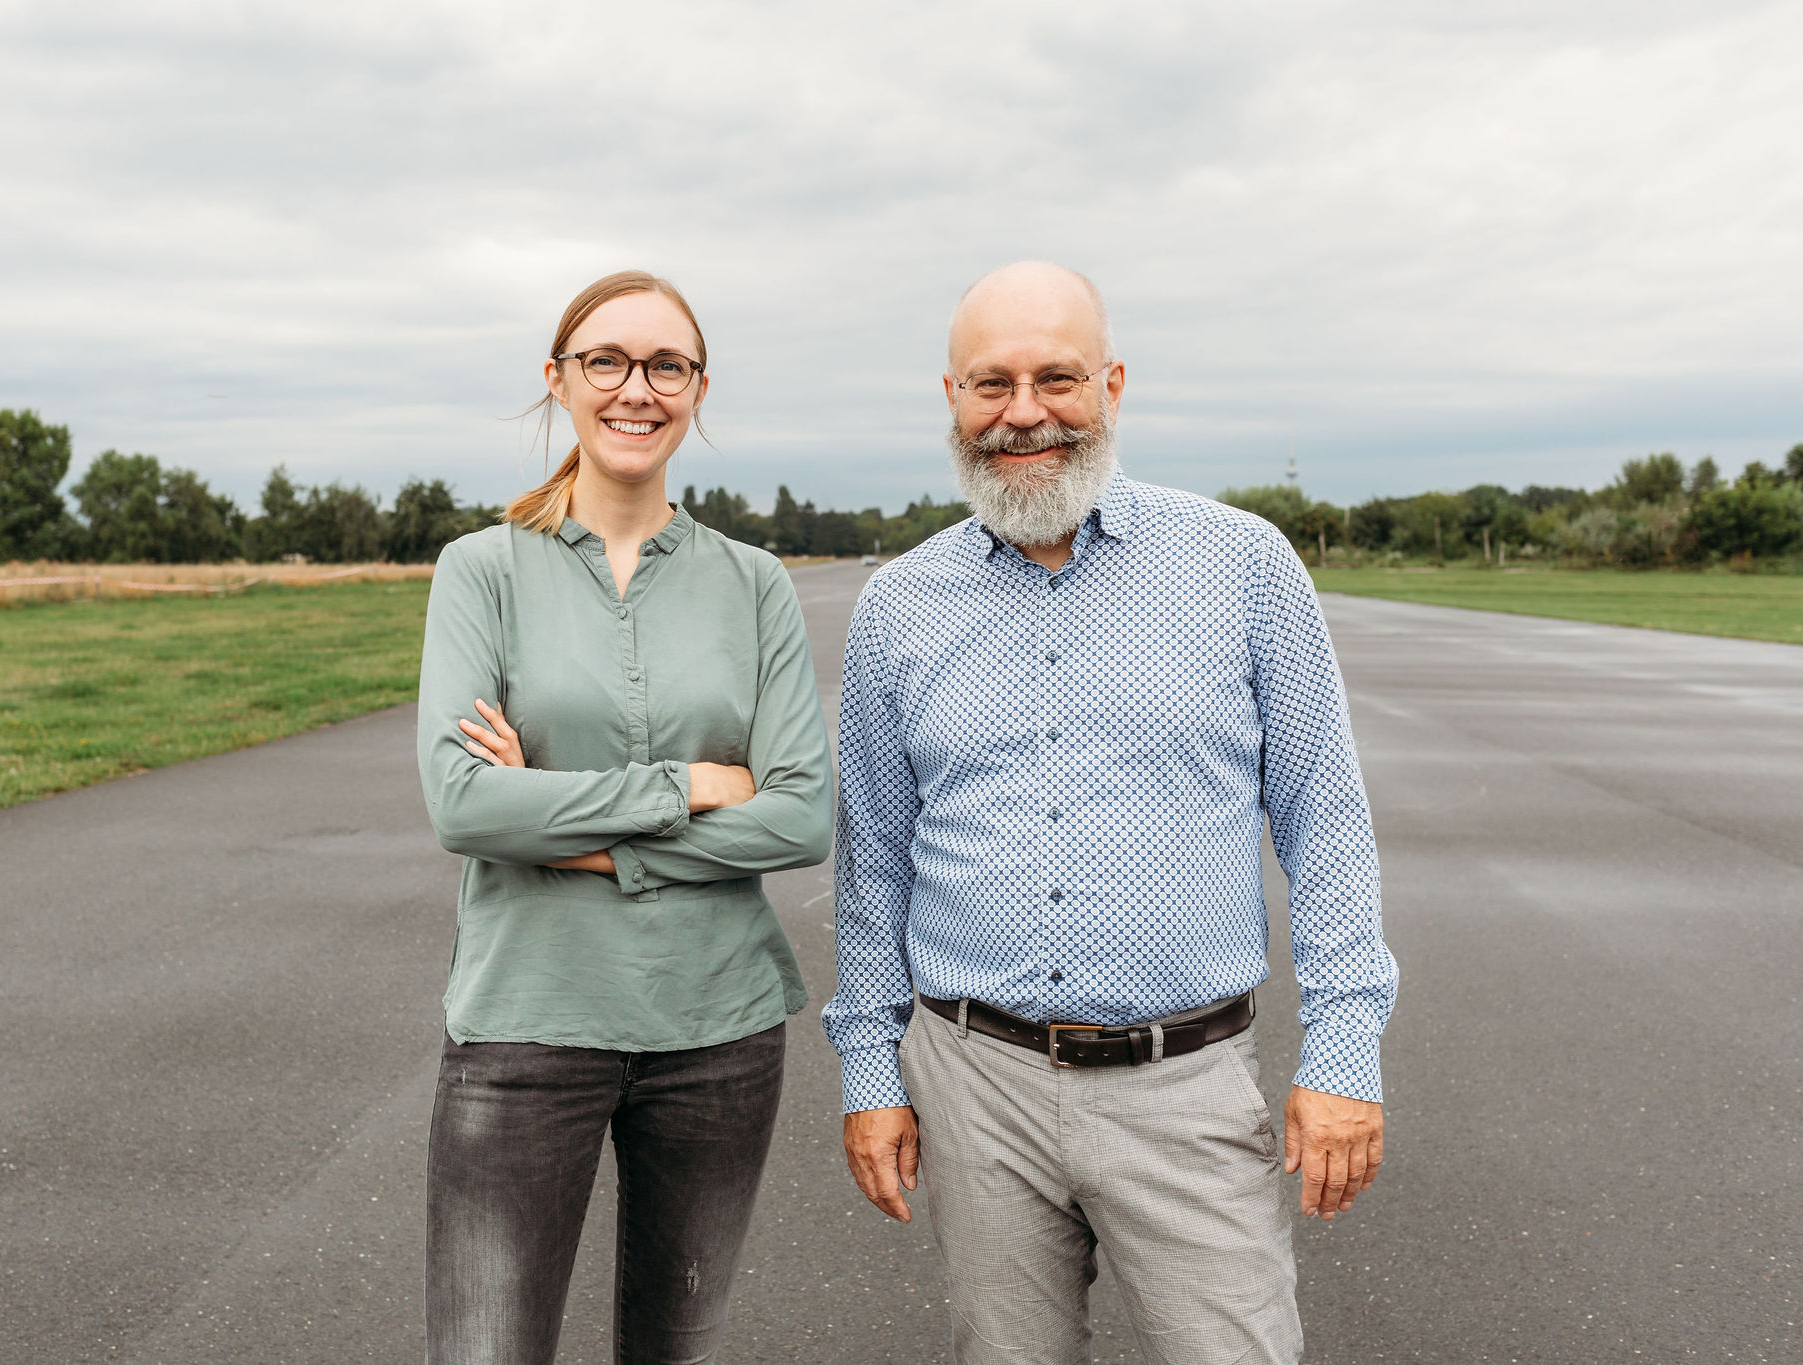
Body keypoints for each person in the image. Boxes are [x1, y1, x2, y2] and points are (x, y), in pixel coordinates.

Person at [823, 261, 1399, 1364]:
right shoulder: (899, 605)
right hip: (971, 1084)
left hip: (1180, 1087)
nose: (1023, 412)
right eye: (991, 384)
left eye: (1056, 377)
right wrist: (866, 1068)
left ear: (1113, 385)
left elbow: (1322, 816)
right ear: (950, 397)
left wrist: (1342, 1050)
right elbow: (873, 865)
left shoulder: (1239, 567)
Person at [417, 269, 833, 1364]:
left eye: (665, 365)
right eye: (605, 361)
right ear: (557, 380)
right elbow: (464, 804)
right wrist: (686, 784)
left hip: (717, 1029)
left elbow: (798, 821)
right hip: (523, 1023)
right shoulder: (481, 572)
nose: (634, 388)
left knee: (676, 1350)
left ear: (697, 388)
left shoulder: (753, 584)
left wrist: (580, 840)